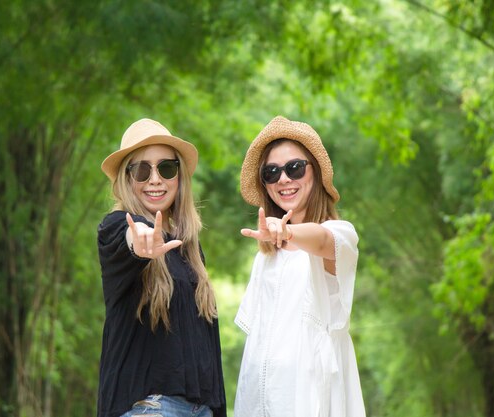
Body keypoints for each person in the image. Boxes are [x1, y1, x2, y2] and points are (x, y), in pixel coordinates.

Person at [234, 116, 366, 417]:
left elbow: (321, 240)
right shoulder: (265, 256)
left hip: (312, 398)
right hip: (259, 399)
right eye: (271, 172)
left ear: (315, 172)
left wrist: (290, 232)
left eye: (294, 168)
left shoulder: (340, 233)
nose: (283, 179)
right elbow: (257, 340)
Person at [96, 118, 226, 417]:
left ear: (179, 176)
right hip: (151, 408)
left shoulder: (188, 248)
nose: (155, 179)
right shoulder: (116, 226)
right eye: (142, 170)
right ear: (128, 180)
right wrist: (139, 244)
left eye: (166, 168)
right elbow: (127, 238)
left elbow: (207, 346)